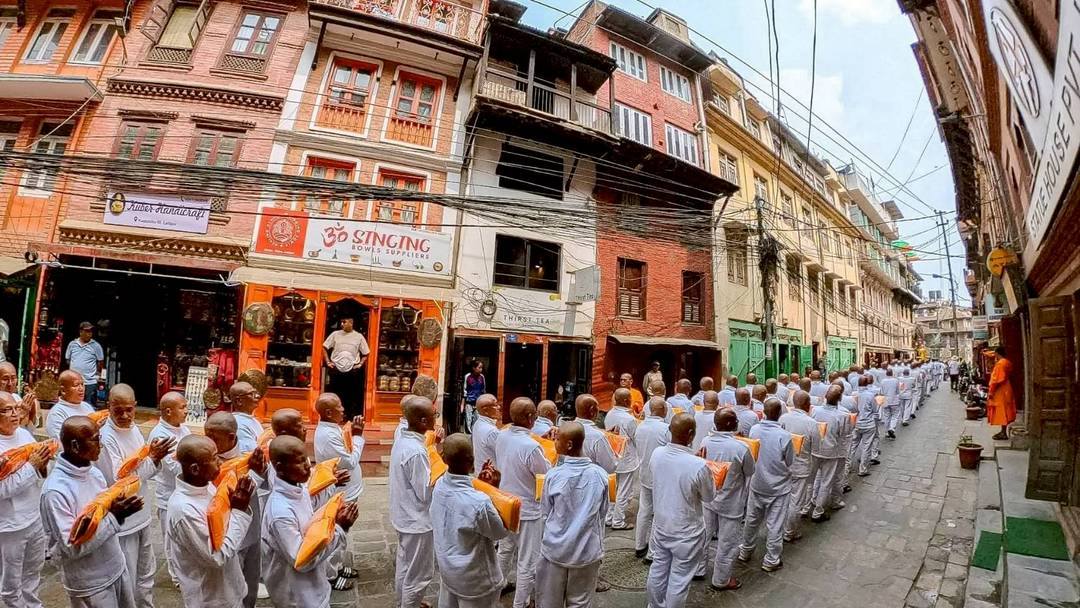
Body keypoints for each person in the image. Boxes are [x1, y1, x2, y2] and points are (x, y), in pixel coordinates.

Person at [42, 416, 143, 607]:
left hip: (115, 566)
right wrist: (115, 517)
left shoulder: (94, 473)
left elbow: (102, 514)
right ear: (74, 445)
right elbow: (71, 547)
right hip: (90, 582)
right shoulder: (55, 492)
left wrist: (117, 507)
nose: (101, 444)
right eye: (95, 439)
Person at [96, 384, 174, 608]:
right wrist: (153, 460)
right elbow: (118, 482)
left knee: (145, 572)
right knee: (127, 575)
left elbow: (146, 469)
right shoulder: (105, 438)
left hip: (142, 514)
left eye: (129, 409)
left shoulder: (135, 429)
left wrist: (155, 460)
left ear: (136, 406)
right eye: (118, 410)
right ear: (108, 406)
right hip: (124, 519)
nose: (124, 415)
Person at [263, 435, 359, 608]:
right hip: (297, 595)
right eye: (300, 462)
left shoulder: (298, 488)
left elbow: (312, 514)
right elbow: (302, 561)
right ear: (281, 467)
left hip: (314, 585)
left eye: (307, 458)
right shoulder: (280, 513)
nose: (308, 465)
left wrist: (332, 486)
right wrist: (339, 529)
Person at [166, 435, 256, 608]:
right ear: (195, 469)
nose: (220, 462)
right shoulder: (184, 510)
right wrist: (239, 512)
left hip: (228, 587)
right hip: (211, 598)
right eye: (214, 458)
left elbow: (222, 524)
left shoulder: (206, 485)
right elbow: (217, 557)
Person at [645, 413, 716, 608]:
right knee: (679, 579)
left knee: (658, 569)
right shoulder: (698, 465)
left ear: (670, 431)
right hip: (687, 531)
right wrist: (703, 466)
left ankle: (654, 605)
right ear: (691, 434)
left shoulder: (657, 454)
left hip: (661, 525)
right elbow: (709, 497)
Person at [537, 421, 609, 608]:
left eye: (558, 438)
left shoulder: (554, 475)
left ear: (568, 445)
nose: (554, 442)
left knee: (549, 601)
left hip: (555, 550)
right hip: (586, 551)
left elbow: (546, 512)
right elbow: (603, 513)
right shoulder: (600, 475)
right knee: (581, 603)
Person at [430, 433, 507, 608]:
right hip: (475, 580)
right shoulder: (479, 502)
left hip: (449, 570)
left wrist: (483, 486)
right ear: (472, 460)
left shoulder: (440, 484)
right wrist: (493, 493)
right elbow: (499, 532)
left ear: (444, 458)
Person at [204, 411, 268, 608]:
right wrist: (255, 476)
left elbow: (266, 484)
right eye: (207, 436)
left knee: (252, 580)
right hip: (228, 532)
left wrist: (260, 472)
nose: (209, 442)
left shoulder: (250, 450)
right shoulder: (206, 457)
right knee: (232, 585)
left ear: (232, 437)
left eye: (213, 438)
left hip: (252, 525)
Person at [495, 397, 553, 608]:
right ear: (529, 418)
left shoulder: (502, 435)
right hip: (527, 508)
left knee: (506, 548)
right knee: (528, 560)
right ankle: (521, 602)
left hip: (506, 502)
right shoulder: (531, 446)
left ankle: (498, 586)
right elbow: (545, 474)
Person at [0, 391, 50, 608]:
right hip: (10, 526)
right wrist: (31, 466)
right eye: (6, 410)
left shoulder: (23, 435)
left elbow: (40, 471)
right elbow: (3, 489)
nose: (14, 414)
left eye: (15, 408)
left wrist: (43, 464)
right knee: (11, 585)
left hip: (33, 518)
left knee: (32, 574)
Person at [389, 396, 439, 608]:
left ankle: (405, 601)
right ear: (423, 421)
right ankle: (409, 603)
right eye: (433, 415)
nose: (436, 418)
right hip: (417, 520)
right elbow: (425, 492)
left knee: (405, 564)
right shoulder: (416, 451)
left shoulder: (403, 438)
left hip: (403, 514)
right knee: (419, 574)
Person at [698, 408, 754, 591]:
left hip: (709, 498)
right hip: (731, 503)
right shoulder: (741, 448)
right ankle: (721, 579)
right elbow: (750, 472)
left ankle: (698, 569)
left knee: (703, 535)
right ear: (735, 425)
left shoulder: (705, 441)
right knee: (727, 542)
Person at [737, 399, 793, 572]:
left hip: (758, 481)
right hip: (778, 486)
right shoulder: (784, 436)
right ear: (779, 414)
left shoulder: (754, 430)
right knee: (775, 524)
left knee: (752, 519)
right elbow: (790, 461)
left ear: (765, 413)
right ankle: (771, 559)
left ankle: (745, 550)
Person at [145, 391, 190, 588]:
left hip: (185, 492)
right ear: (169, 411)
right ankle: (177, 577)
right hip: (168, 495)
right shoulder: (160, 435)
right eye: (182, 408)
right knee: (171, 539)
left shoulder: (184, 429)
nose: (186, 411)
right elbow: (175, 468)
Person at [778, 390, 819, 541]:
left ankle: (781, 527)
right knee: (796, 501)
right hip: (801, 467)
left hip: (783, 466)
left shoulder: (783, 418)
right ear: (808, 405)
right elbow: (816, 448)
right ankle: (789, 532)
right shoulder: (811, 423)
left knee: (784, 498)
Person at [634, 397, 670, 562]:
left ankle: (639, 544)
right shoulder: (665, 429)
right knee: (658, 513)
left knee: (644, 510)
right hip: (661, 476)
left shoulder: (640, 427)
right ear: (663, 410)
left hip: (644, 473)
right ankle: (653, 553)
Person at [810, 385, 852, 522]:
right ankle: (818, 511)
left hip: (815, 450)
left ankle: (813, 500)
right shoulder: (843, 415)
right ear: (840, 398)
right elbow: (845, 434)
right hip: (831, 452)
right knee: (826, 481)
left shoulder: (814, 410)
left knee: (816, 478)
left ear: (825, 397)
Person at [604, 389, 638, 531]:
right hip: (627, 458)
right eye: (629, 398)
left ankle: (609, 517)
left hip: (613, 456)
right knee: (623, 491)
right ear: (625, 401)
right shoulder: (629, 419)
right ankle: (618, 521)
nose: (631, 400)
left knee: (613, 489)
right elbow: (636, 437)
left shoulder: (609, 414)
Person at [323, 317, 370, 419]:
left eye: (344, 322)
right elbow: (324, 347)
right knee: (336, 393)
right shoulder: (335, 334)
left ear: (351, 323)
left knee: (351, 393)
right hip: (336, 369)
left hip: (352, 370)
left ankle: (349, 415)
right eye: (341, 322)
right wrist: (328, 362)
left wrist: (360, 364)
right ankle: (334, 416)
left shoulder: (359, 336)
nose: (342, 324)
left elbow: (366, 353)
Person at [572, 395, 617, 475]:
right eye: (598, 407)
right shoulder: (597, 436)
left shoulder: (565, 429)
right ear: (592, 410)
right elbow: (610, 467)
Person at [45, 370, 95, 440]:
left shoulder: (87, 406)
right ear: (63, 391)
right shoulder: (57, 413)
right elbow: (61, 443)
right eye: (76, 385)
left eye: (82, 384)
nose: (81, 389)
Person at [65, 322, 105, 409]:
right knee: (73, 405)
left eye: (90, 331)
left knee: (89, 406)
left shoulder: (96, 346)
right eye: (87, 331)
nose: (89, 333)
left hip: (90, 382)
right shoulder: (72, 344)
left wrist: (98, 375)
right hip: (74, 381)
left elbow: (100, 362)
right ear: (80, 332)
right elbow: (68, 360)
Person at [850, 377, 878, 478]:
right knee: (866, 447)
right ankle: (863, 469)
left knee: (853, 446)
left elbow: (852, 409)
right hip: (868, 424)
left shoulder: (853, 394)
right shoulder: (871, 395)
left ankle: (847, 467)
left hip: (857, 423)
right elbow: (875, 410)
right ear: (867, 384)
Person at [987, 347, 1017, 440]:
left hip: (1000, 390)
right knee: (1006, 409)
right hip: (1007, 387)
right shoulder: (1007, 362)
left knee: (1002, 410)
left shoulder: (1000, 364)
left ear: (997, 353)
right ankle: (1003, 431)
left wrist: (991, 392)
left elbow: (996, 380)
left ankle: (1003, 433)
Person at [228, 382, 265, 452]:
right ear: (239, 401)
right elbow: (250, 454)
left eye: (256, 393)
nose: (257, 396)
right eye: (251, 394)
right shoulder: (238, 425)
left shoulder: (253, 420)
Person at [471, 394, 502, 473]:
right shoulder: (492, 432)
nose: (499, 407)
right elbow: (505, 454)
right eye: (495, 405)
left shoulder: (478, 423)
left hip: (480, 472)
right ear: (485, 410)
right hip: (490, 477)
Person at [461, 360, 486, 433]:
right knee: (468, 420)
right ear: (474, 368)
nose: (481, 369)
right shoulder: (467, 377)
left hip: (478, 402)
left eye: (481, 368)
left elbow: (483, 389)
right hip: (469, 402)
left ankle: (474, 435)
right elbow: (464, 390)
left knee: (477, 420)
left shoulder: (482, 377)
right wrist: (462, 404)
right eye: (479, 367)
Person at [880, 370, 901, 439]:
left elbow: (881, 391)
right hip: (894, 400)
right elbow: (898, 391)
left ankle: (886, 432)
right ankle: (891, 428)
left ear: (886, 374)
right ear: (892, 373)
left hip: (886, 400)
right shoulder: (896, 380)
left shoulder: (883, 381)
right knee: (895, 415)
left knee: (886, 416)